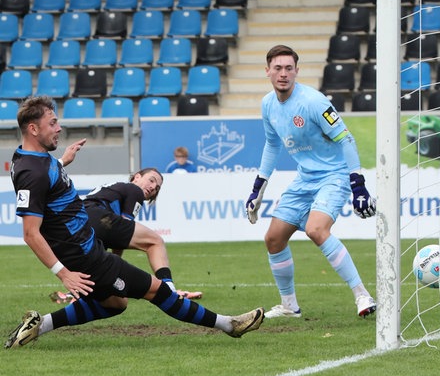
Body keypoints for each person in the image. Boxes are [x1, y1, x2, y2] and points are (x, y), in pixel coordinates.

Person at [5, 96, 264, 349]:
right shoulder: (33, 172)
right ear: (33, 128)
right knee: (157, 290)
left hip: (88, 245)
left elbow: (47, 184)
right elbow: (30, 233)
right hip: (85, 257)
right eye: (52, 123)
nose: (59, 127)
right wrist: (64, 274)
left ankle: (39, 326)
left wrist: (63, 162)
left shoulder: (34, 159)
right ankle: (230, 325)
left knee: (116, 304)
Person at [245, 45, 376, 319]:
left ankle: (361, 294)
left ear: (297, 71)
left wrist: (358, 184)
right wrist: (258, 188)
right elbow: (271, 144)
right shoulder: (268, 104)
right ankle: (289, 305)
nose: (283, 74)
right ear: (267, 71)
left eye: (289, 68)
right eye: (278, 68)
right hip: (305, 178)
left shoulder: (314, 102)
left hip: (333, 176)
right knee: (273, 238)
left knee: (317, 230)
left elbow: (346, 138)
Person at [49, 167, 202, 303]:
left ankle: (75, 295)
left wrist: (115, 266)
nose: (153, 187)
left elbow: (118, 237)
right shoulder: (134, 190)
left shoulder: (117, 189)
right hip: (98, 216)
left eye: (157, 188)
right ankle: (170, 290)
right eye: (151, 180)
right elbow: (124, 227)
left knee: (99, 268)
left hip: (79, 223)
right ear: (137, 177)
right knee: (155, 242)